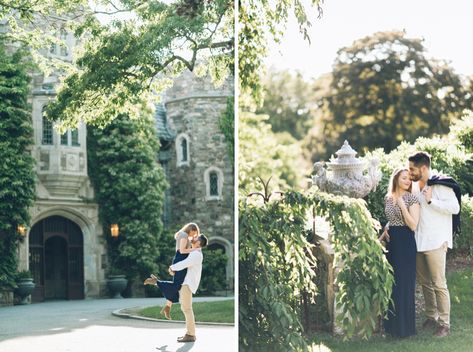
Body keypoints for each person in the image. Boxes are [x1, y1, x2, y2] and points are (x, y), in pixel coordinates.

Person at [408, 151, 460, 337]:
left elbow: (455, 208)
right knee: (424, 283)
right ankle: (431, 317)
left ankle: (444, 323)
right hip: (418, 241)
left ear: (423, 168)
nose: (409, 172)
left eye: (412, 169)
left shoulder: (441, 185)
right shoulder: (412, 186)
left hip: (436, 240)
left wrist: (431, 200)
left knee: (439, 283)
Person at [379, 167, 420, 337]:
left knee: (404, 284)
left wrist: (402, 205)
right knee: (392, 284)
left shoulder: (412, 199)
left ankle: (405, 329)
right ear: (396, 179)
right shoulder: (388, 198)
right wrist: (383, 234)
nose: (407, 181)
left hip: (406, 243)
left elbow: (413, 225)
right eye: (404, 178)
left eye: (409, 178)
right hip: (392, 243)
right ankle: (392, 328)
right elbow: (390, 221)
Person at [145, 234, 208, 343]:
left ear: (198, 243)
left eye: (196, 237)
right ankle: (156, 282)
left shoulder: (197, 254)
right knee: (183, 305)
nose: (194, 237)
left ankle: (191, 334)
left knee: (187, 309)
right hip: (185, 283)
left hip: (187, 284)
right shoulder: (194, 252)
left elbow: (184, 264)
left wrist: (172, 267)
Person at [144, 223, 200, 319]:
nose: (193, 236)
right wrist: (195, 250)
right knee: (177, 285)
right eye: (194, 233)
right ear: (191, 229)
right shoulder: (184, 235)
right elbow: (182, 251)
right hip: (181, 259)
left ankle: (168, 306)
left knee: (177, 285)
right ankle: (156, 282)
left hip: (181, 259)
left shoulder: (183, 235)